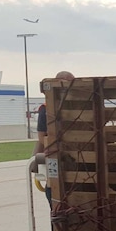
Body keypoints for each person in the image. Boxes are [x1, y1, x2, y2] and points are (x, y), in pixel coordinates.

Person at [32, 71, 74, 208]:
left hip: (73, 158)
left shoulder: (77, 106)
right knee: (54, 192)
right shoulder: (46, 109)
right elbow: (42, 137)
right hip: (55, 156)